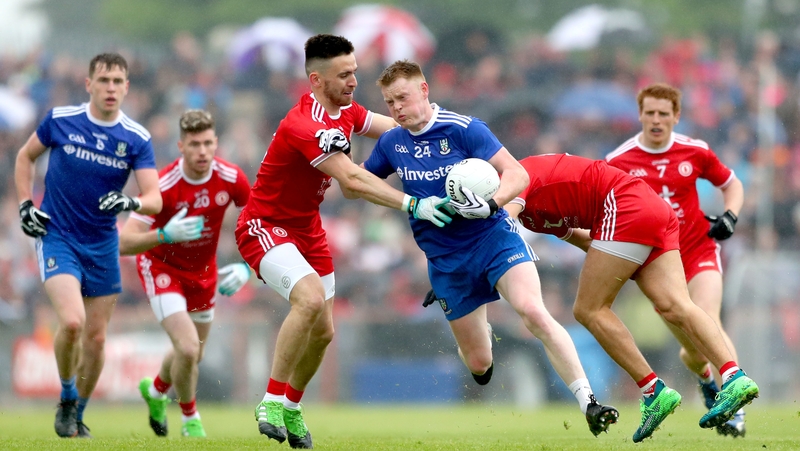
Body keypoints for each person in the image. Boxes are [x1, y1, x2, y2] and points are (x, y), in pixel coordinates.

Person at [362, 60, 619, 437]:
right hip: (447, 262)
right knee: (480, 363)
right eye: (389, 102)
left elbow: (518, 173)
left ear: (424, 90)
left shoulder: (465, 128)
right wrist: (403, 201)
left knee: (533, 311)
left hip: (493, 238)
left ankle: (589, 402)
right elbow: (361, 184)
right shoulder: (391, 142)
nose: (397, 107)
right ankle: (480, 343)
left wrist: (493, 203)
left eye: (402, 97)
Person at [235, 35, 451, 449]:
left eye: (354, 71)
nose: (354, 81)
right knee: (310, 299)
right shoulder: (304, 124)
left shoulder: (347, 110)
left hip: (308, 230)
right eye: (344, 74)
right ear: (316, 79)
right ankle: (270, 400)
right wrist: (414, 204)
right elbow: (351, 178)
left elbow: (392, 128)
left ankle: (293, 408)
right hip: (265, 225)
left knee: (324, 333)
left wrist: (437, 124)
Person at [499, 152, 759, 442]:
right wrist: (624, 262)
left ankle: (654, 391)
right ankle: (734, 377)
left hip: (624, 207)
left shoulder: (514, 175)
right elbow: (582, 239)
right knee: (676, 306)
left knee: (588, 309)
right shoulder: (531, 214)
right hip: (649, 210)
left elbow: (501, 217)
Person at [14, 52, 162, 438]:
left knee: (97, 339)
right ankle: (65, 396)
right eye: (104, 80)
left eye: (118, 81)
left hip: (102, 243)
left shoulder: (136, 137)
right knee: (74, 322)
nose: (111, 88)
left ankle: (76, 412)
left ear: (127, 87)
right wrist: (25, 204)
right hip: (58, 235)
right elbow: (25, 157)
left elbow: (154, 197)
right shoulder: (61, 120)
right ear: (89, 84)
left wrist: (130, 203)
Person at [605, 82, 747, 437]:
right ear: (640, 115)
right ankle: (706, 383)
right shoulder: (617, 161)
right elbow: (604, 208)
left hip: (699, 248)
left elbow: (732, 184)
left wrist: (730, 215)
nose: (656, 120)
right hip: (658, 265)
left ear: (676, 116)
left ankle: (736, 407)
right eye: (650, 113)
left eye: (663, 114)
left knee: (708, 317)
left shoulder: (695, 151)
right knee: (693, 351)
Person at [118, 109, 252, 438]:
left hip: (203, 273)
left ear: (216, 142)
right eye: (195, 144)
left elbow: (259, 221)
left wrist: (248, 266)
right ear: (181, 146)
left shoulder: (232, 178)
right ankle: (191, 420)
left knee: (192, 352)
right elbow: (123, 242)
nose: (203, 151)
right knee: (189, 348)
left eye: (208, 143)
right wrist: (165, 235)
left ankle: (157, 389)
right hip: (161, 267)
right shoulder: (162, 186)